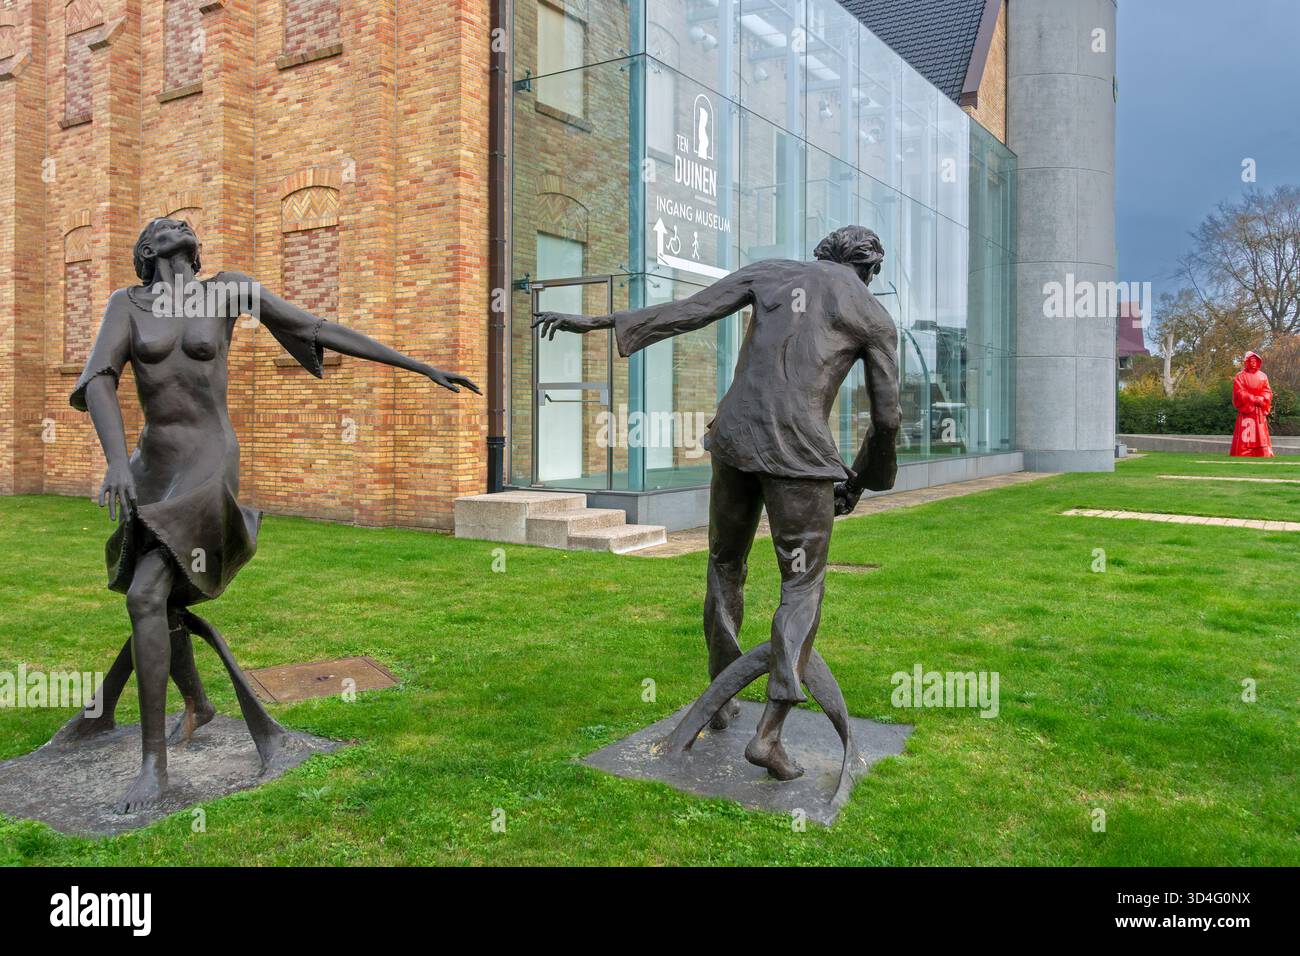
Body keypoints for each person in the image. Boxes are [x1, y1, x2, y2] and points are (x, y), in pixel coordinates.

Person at [63, 217, 480, 814]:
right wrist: (115, 462)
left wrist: (417, 366)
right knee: (158, 596)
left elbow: (316, 327)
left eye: (187, 225)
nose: (182, 226)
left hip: (209, 459)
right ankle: (199, 705)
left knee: (147, 594)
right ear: (148, 249)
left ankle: (153, 764)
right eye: (166, 224)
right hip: (153, 462)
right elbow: (100, 378)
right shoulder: (125, 305)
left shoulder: (226, 290)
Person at [534, 225, 900, 780]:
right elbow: (888, 418)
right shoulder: (871, 314)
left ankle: (723, 691)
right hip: (798, 456)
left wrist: (599, 322)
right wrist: (866, 478)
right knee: (801, 586)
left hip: (733, 441)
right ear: (870, 268)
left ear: (822, 252)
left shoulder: (774, 272)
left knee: (725, 563)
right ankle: (769, 735)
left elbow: (690, 310)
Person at [1230, 351, 1274, 458]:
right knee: (1246, 431)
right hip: (1247, 410)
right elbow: (1239, 392)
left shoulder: (1263, 376)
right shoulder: (1240, 376)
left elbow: (1268, 391)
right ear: (1247, 362)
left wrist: (1262, 398)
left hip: (1259, 410)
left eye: (1255, 361)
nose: (1253, 363)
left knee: (1260, 432)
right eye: (1251, 361)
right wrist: (1253, 399)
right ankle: (1244, 452)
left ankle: (1261, 452)